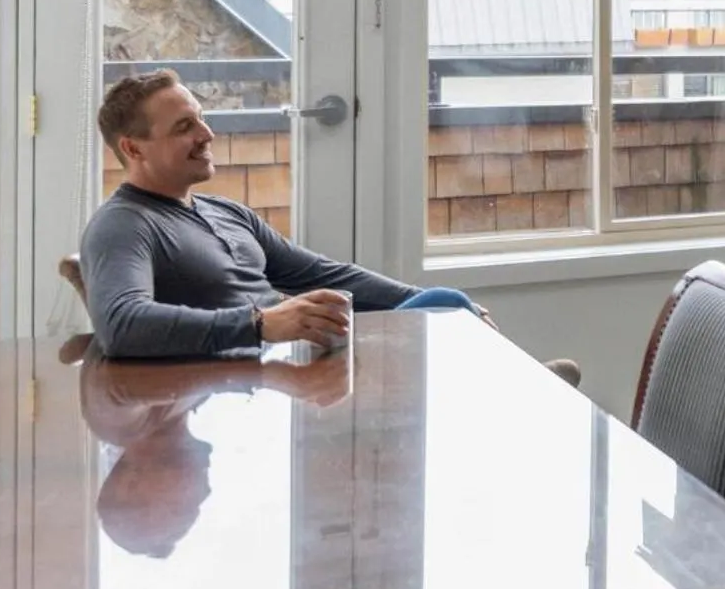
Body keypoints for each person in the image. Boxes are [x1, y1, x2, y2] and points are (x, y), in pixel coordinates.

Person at [78, 71, 582, 384]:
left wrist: (437, 306)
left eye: (202, 120)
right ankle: (520, 394)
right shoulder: (122, 227)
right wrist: (259, 324)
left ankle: (515, 386)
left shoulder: (224, 211)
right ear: (133, 148)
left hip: (308, 357)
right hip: (256, 372)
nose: (208, 134)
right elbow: (122, 325)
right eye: (184, 127)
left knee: (444, 302)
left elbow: (326, 273)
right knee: (445, 313)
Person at [81, 341, 351, 558]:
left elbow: (115, 384)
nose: (204, 492)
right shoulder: (185, 405)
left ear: (131, 485)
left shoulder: (119, 425)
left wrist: (269, 376)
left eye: (180, 508)